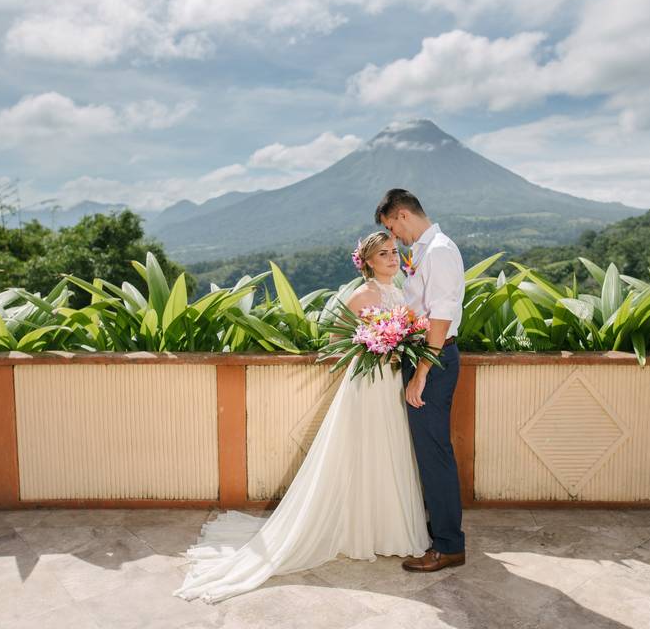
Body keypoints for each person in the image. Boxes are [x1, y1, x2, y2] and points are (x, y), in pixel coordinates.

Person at [173, 230, 432, 604]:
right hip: (367, 387)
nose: (393, 258)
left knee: (390, 452)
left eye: (395, 252)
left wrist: (398, 349)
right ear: (369, 263)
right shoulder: (361, 295)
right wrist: (372, 347)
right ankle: (357, 530)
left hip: (392, 384)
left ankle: (388, 530)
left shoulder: (401, 291)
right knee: (362, 453)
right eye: (385, 254)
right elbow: (335, 340)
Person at [375, 188, 467, 573]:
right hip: (426, 357)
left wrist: (422, 374)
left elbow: (442, 317)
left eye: (392, 228)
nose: (394, 238)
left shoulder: (440, 250)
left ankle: (448, 546)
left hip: (436, 360)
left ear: (402, 215)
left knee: (435, 453)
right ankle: (440, 531)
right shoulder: (428, 251)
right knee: (429, 452)